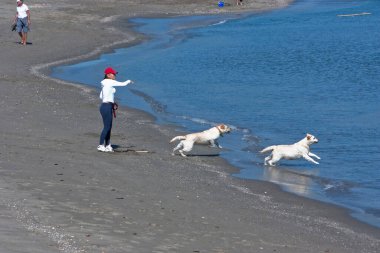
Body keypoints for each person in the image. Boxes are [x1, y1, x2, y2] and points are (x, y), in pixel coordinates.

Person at [98, 67, 134, 152]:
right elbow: (123, 84)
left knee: (108, 127)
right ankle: (100, 145)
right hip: (106, 107)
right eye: (113, 74)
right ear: (108, 75)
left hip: (105, 106)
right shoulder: (109, 82)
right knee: (107, 127)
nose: (115, 75)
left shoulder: (104, 83)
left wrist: (111, 92)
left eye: (115, 74)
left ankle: (108, 145)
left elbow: (100, 96)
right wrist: (129, 81)